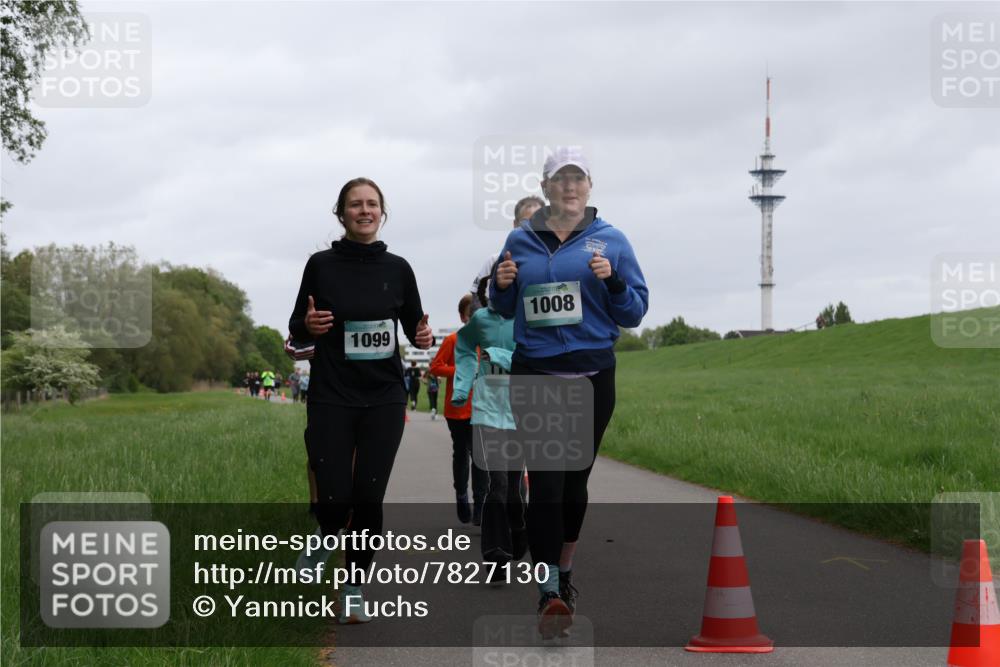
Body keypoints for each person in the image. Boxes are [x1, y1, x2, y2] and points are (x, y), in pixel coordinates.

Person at [490, 147, 649, 638]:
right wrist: (501, 284)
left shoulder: (611, 240)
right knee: (547, 485)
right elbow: (500, 306)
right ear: (547, 188)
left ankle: (564, 569)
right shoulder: (520, 239)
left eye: (578, 179)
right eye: (561, 179)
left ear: (589, 186)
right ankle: (548, 592)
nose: (571, 187)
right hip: (535, 371)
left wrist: (614, 280)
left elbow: (635, 311)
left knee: (574, 485)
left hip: (593, 374)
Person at [289, 177, 434, 624]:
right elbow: (297, 326)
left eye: (372, 204)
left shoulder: (399, 268)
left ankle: (353, 588)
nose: (365, 210)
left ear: (382, 212)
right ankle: (325, 535)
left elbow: (415, 330)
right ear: (342, 213)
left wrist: (424, 336)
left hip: (384, 396)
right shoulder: (321, 265)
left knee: (369, 498)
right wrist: (309, 325)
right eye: (356, 204)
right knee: (335, 498)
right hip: (332, 394)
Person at [453, 275, 526, 577]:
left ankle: (518, 529)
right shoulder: (481, 319)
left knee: (513, 486)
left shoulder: (527, 316)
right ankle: (496, 554)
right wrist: (462, 387)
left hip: (521, 409)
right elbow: (464, 347)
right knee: (498, 483)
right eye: (498, 285)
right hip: (487, 409)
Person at [430, 294, 489, 525]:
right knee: (462, 454)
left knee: (481, 457)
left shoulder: (488, 341)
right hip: (458, 409)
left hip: (484, 408)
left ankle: (480, 505)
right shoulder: (453, 340)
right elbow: (435, 367)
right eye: (471, 313)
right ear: (463, 317)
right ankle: (462, 495)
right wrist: (461, 370)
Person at [470, 196, 545, 294]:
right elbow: (474, 297)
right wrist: (499, 287)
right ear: (515, 224)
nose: (531, 228)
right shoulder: (494, 261)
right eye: (525, 222)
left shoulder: (558, 261)